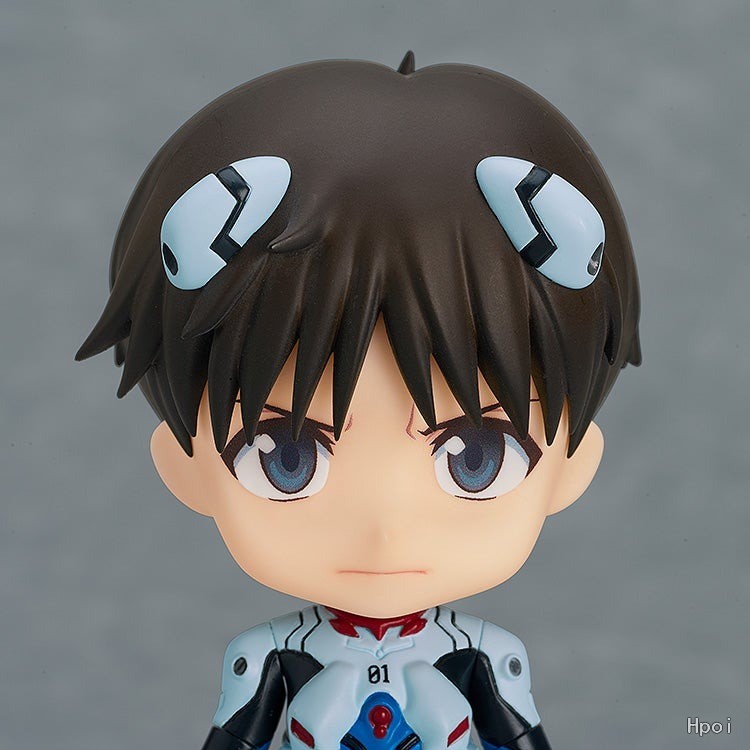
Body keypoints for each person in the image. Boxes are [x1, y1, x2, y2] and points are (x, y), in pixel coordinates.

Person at [77, 52, 640, 750]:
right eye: (287, 458)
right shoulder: (273, 658)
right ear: (184, 465)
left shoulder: (483, 657)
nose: (384, 527)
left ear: (572, 464)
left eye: (476, 456)